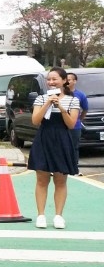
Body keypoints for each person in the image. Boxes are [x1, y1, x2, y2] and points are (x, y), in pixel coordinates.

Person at [28, 68, 81, 230]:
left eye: (55, 79)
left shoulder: (73, 100)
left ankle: (58, 216)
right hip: (44, 139)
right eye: (49, 79)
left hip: (63, 140)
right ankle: (41, 215)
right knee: (42, 179)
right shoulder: (40, 99)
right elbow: (36, 121)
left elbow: (71, 124)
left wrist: (61, 107)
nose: (51, 82)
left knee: (60, 179)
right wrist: (48, 103)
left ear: (64, 80)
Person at [66, 72, 88, 176]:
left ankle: (74, 168)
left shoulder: (80, 95)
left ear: (75, 81)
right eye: (65, 79)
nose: (67, 81)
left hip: (75, 127)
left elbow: (85, 109)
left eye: (69, 79)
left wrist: (79, 119)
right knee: (59, 146)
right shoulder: (59, 93)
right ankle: (57, 168)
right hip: (61, 126)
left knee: (74, 147)